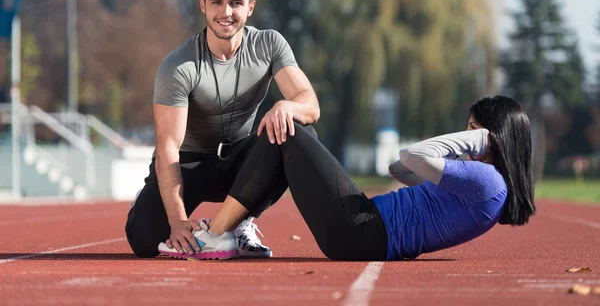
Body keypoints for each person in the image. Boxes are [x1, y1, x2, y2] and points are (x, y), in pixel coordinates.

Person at [157, 95, 536, 261]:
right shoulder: (485, 187)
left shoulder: (488, 182)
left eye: (472, 132)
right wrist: (466, 144)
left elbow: (411, 155)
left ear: (493, 138)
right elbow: (400, 170)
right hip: (364, 230)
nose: (465, 138)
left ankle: (216, 235)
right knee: (290, 136)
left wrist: (478, 138)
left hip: (362, 231)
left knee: (286, 128)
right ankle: (233, 229)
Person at [125, 0, 320, 259]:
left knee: (296, 130)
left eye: (236, 3)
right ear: (203, 5)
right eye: (216, 1)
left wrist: (286, 105)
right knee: (145, 240)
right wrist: (177, 221)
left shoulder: (269, 44)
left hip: (241, 162)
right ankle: (149, 202)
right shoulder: (178, 66)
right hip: (190, 164)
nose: (226, 12)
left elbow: (310, 104)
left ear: (250, 7)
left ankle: (236, 224)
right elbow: (168, 146)